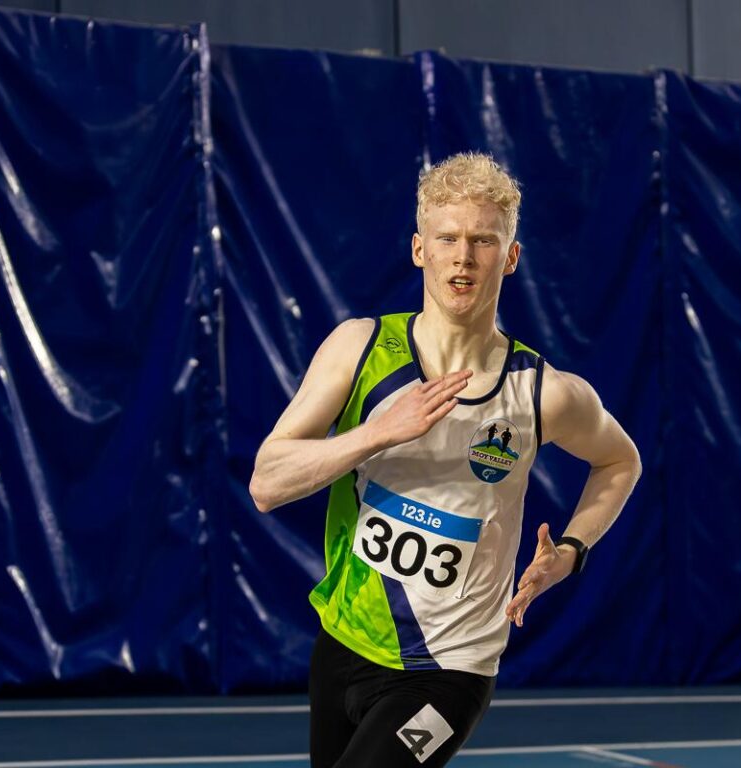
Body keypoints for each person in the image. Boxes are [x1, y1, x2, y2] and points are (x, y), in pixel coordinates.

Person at [249, 153, 642, 768]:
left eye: (484, 240)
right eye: (448, 239)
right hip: (344, 642)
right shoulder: (360, 348)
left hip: (449, 668)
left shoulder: (544, 391)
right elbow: (267, 484)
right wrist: (374, 434)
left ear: (509, 257)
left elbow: (620, 462)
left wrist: (570, 551)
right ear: (418, 249)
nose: (464, 257)